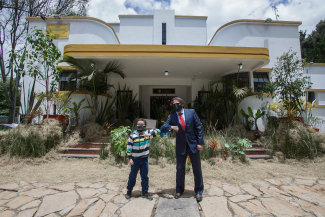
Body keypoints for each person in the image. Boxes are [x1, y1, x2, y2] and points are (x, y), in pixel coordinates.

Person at [160, 97, 204, 202]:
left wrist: (200, 142)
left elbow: (199, 128)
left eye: (177, 103)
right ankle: (179, 190)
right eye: (173, 104)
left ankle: (198, 191)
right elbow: (162, 128)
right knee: (180, 169)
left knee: (197, 168)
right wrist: (172, 127)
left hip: (193, 145)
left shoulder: (191, 112)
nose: (176, 106)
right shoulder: (172, 116)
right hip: (180, 146)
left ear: (182, 104)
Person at [125, 118, 160, 200]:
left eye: (142, 125)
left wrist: (150, 133)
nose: (140, 126)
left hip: (144, 160)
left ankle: (145, 192)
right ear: (136, 126)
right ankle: (129, 190)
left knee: (144, 176)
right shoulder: (132, 136)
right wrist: (130, 158)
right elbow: (129, 148)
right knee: (132, 176)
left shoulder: (147, 134)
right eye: (138, 125)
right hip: (135, 160)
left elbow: (158, 131)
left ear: (145, 126)